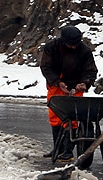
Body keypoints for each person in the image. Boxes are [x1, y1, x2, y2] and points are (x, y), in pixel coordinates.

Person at [40, 25, 98, 162]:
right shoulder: (52, 47)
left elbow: (91, 71)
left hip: (76, 86)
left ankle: (68, 151)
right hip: (56, 84)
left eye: (76, 44)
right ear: (63, 41)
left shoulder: (84, 51)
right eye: (71, 44)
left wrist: (85, 83)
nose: (74, 47)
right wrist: (57, 82)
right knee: (55, 117)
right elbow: (46, 67)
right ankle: (58, 148)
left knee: (72, 119)